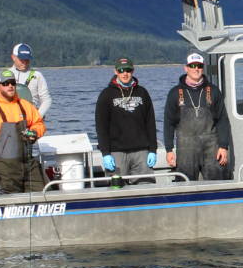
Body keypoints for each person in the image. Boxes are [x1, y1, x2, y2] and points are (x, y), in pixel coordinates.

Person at [0, 69, 47, 192]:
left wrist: (35, 132)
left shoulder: (25, 105)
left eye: (12, 83)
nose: (10, 86)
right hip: (4, 166)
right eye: (6, 83)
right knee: (11, 200)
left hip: (28, 162)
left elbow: (39, 123)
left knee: (44, 193)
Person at [164, 52, 231, 181]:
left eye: (199, 66)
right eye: (193, 65)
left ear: (203, 68)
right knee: (184, 186)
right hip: (186, 148)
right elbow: (168, 123)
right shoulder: (174, 93)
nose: (196, 69)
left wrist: (223, 146)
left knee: (216, 185)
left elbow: (222, 120)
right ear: (186, 68)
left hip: (211, 147)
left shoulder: (214, 91)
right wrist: (168, 149)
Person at [95, 57, 158, 184]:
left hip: (141, 152)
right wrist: (105, 153)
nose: (125, 73)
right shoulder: (106, 94)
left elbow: (150, 123)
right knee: (116, 191)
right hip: (116, 152)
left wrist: (153, 150)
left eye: (128, 70)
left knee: (146, 191)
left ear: (133, 71)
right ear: (116, 72)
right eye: (121, 70)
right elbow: (101, 127)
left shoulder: (142, 92)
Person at [0, 43, 52, 117]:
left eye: (27, 59)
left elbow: (47, 100)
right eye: (21, 59)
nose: (24, 62)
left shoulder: (37, 76)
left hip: (31, 117)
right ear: (13, 57)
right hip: (9, 118)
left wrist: (38, 116)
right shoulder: (2, 75)